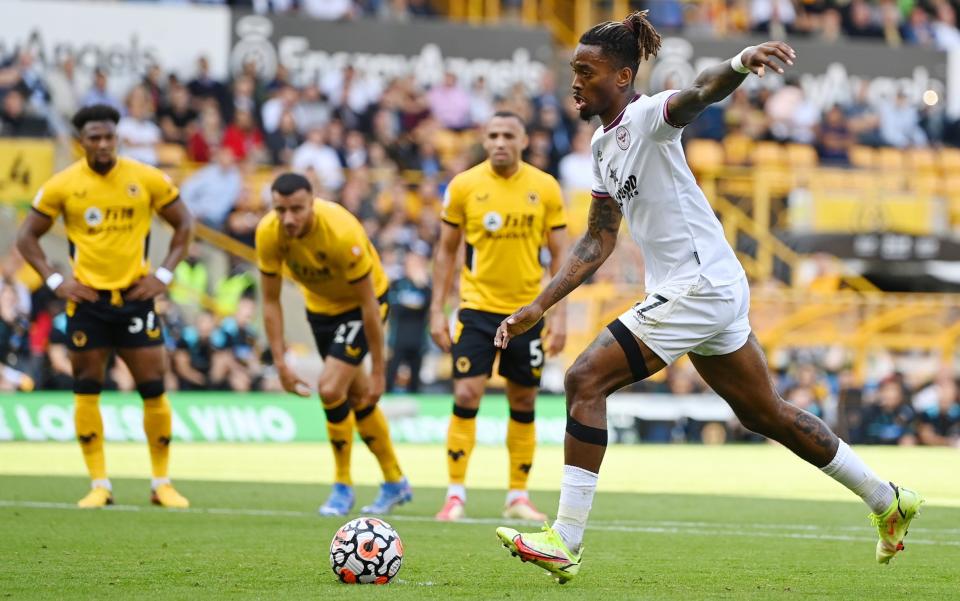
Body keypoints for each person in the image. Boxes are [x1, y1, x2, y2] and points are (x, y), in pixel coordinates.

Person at [493, 11, 922, 583]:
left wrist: (742, 62)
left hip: (698, 283)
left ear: (621, 77)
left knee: (583, 379)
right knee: (763, 412)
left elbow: (697, 93)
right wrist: (539, 306)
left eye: (585, 69)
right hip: (703, 286)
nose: (574, 80)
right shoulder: (602, 146)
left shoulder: (647, 117)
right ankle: (885, 498)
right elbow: (597, 242)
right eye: (573, 69)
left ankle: (564, 540)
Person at [16, 104, 194, 509]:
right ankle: (99, 484)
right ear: (81, 141)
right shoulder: (63, 185)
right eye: (94, 137)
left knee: (153, 389)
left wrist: (163, 276)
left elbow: (185, 224)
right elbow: (27, 237)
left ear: (118, 138)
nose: (102, 144)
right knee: (87, 390)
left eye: (109, 136)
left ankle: (161, 483)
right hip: (90, 302)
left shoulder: (145, 178)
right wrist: (57, 280)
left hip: (135, 298)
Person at [431, 111, 568, 522]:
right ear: (484, 140)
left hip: (527, 312)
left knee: (523, 399)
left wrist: (558, 318)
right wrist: (438, 311)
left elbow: (562, 256)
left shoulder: (544, 187)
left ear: (524, 140)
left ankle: (517, 495)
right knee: (466, 395)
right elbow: (446, 252)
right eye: (492, 135)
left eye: (508, 134)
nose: (500, 142)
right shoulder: (464, 186)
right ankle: (455, 494)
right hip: (476, 308)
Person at [256, 172, 412, 515]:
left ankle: (342, 486)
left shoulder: (342, 231)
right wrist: (280, 363)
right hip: (321, 311)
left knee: (329, 389)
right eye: (280, 209)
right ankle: (395, 481)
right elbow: (270, 301)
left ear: (313, 202)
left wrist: (380, 372)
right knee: (356, 398)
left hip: (362, 306)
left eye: (297, 209)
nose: (288, 219)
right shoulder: (268, 233)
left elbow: (370, 305)